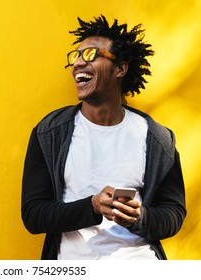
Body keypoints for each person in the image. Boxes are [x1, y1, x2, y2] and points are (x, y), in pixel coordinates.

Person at [21, 15, 186, 260]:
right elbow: (34, 215)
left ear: (120, 68)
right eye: (75, 56)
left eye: (90, 55)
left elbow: (174, 214)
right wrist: (92, 207)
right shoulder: (49, 132)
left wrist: (140, 218)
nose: (77, 63)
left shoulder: (157, 138)